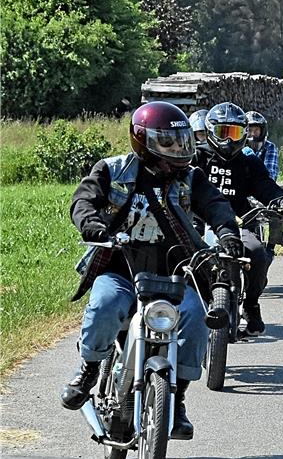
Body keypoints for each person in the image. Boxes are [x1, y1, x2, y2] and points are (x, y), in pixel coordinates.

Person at [61, 101, 243, 440]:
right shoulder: (113, 170)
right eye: (168, 143)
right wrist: (93, 226)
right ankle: (88, 369)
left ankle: (179, 398)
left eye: (181, 141)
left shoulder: (193, 178)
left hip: (173, 273)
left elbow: (216, 205)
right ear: (144, 141)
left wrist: (228, 233)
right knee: (105, 304)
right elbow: (83, 200)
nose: (178, 149)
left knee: (195, 318)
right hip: (121, 268)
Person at [194, 101, 283, 336]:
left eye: (235, 132)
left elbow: (264, 185)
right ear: (210, 131)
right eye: (223, 132)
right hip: (199, 218)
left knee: (257, 253)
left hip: (239, 218)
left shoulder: (247, 161)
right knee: (181, 255)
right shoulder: (196, 157)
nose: (229, 140)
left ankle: (251, 305)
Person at [243, 110, 280, 180]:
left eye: (256, 130)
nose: (252, 134)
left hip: (259, 189)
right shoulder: (237, 147)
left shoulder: (269, 147)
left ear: (262, 131)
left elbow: (270, 176)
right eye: (249, 130)